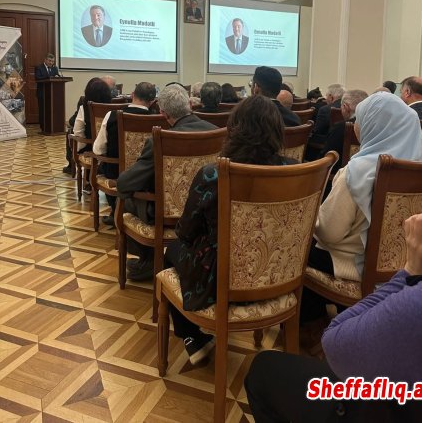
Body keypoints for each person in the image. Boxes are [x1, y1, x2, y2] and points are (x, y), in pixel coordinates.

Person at [245, 147, 422, 422]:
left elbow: (336, 348)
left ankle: (307, 321)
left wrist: (412, 271)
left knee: (263, 368)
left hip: (351, 282)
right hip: (379, 283)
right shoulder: (420, 153)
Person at [164, 95, 298, 364]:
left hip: (220, 279)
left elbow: (186, 232)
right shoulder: (295, 171)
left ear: (234, 128)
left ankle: (192, 336)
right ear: (277, 130)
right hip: (278, 275)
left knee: (171, 251)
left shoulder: (213, 173)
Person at [300, 91, 422, 323]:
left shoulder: (357, 171)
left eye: (359, 120)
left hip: (352, 264)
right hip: (405, 265)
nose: (356, 126)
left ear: (373, 125)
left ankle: (309, 322)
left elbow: (329, 233)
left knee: (297, 246)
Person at [116, 84, 217, 281]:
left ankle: (148, 260)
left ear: (163, 113)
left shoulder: (160, 140)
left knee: (126, 201)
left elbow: (125, 183)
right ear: (190, 105)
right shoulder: (217, 133)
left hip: (165, 215)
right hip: (204, 215)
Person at [92, 81, 157, 227]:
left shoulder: (112, 115)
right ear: (152, 101)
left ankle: (116, 210)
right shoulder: (158, 119)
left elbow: (98, 149)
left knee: (103, 166)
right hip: (145, 177)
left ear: (132, 95)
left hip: (116, 172)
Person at [319, 89, 368, 177]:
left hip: (339, 177)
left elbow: (327, 158)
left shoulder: (340, 128)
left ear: (345, 107)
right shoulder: (374, 127)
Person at [34, 53, 59, 130]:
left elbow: (56, 77)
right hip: (42, 93)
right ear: (45, 60)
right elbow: (37, 78)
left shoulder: (55, 68)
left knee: (51, 110)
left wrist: (58, 77)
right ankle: (43, 127)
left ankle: (52, 125)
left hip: (52, 94)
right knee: (43, 110)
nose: (51, 63)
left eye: (52, 61)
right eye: (49, 61)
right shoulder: (39, 67)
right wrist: (49, 77)